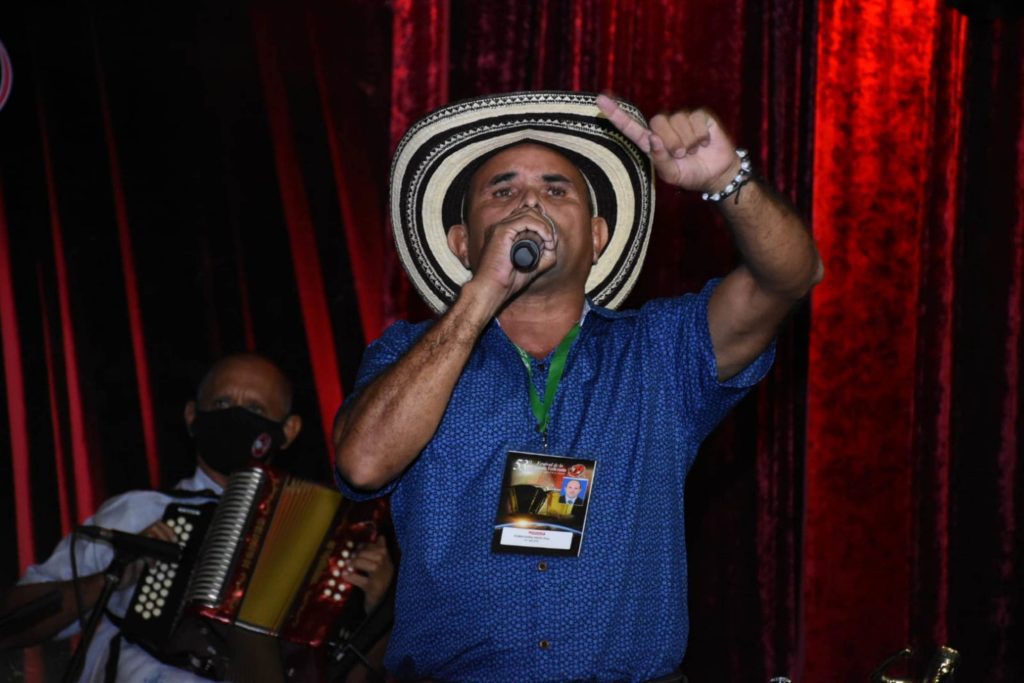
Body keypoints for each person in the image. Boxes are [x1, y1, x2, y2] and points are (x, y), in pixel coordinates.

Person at [334, 91, 823, 680]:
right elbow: (362, 464)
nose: (530, 202)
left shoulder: (661, 350)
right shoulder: (405, 354)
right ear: (463, 243)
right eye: (502, 192)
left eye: (556, 189)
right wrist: (482, 294)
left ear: (596, 236)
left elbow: (789, 278)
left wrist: (727, 181)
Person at [0, 353, 394, 682]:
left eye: (255, 409)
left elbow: (350, 674)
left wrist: (380, 610)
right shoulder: (139, 511)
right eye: (221, 404)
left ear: (288, 431)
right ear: (192, 416)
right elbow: (11, 622)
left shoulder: (321, 542)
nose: (236, 417)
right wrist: (112, 578)